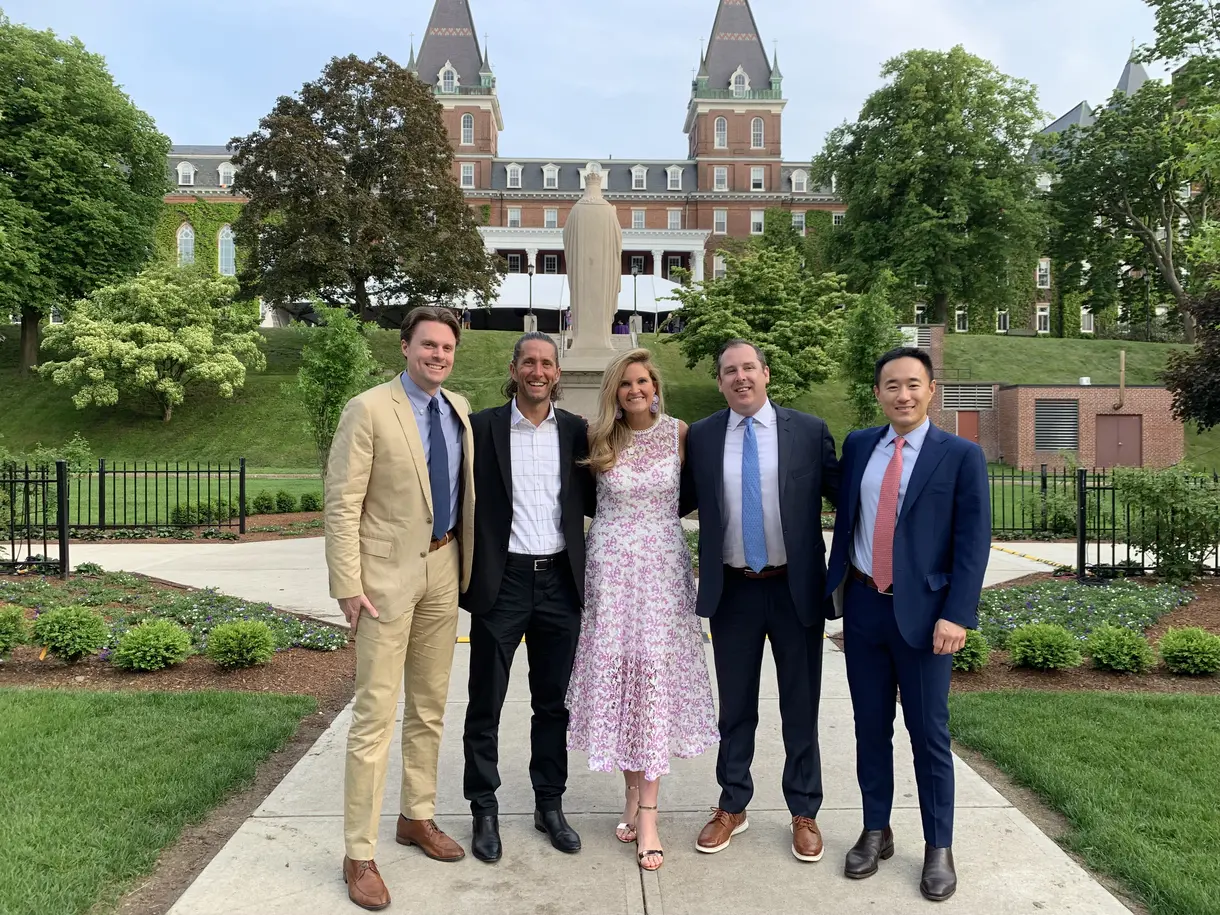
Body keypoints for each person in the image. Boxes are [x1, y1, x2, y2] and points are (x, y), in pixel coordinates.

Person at [824, 346, 990, 903]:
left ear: (931, 389)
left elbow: (973, 542)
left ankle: (938, 844)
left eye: (913, 384)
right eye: (892, 385)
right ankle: (876, 830)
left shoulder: (960, 455)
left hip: (926, 618)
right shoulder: (859, 447)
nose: (903, 394)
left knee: (928, 735)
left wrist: (957, 614)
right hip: (867, 607)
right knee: (870, 727)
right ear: (878, 393)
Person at [324, 305, 475, 911]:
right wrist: (346, 582)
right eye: (428, 345)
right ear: (405, 347)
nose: (438, 355)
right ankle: (358, 853)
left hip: (444, 568)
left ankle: (417, 816)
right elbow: (341, 502)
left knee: (431, 706)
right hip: (384, 579)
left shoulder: (459, 410)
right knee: (374, 716)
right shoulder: (368, 408)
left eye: (446, 348)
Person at [682, 339, 840, 863]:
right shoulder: (702, 437)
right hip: (734, 592)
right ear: (721, 381)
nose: (740, 378)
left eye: (749, 368)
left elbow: (850, 497)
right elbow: (670, 499)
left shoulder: (808, 432)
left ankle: (804, 810)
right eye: (730, 371)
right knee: (736, 706)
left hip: (794, 588)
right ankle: (733, 804)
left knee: (800, 703)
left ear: (766, 374)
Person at [566, 348, 718, 873]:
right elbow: (583, 501)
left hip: (660, 575)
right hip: (610, 574)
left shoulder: (679, 433)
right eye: (626, 383)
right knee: (623, 681)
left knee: (652, 682)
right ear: (615, 390)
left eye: (643, 381)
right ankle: (631, 799)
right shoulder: (598, 438)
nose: (635, 390)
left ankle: (649, 816)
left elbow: (694, 497)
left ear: (655, 387)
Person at [460, 331, 596, 863]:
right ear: (514, 369)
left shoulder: (577, 432)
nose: (538, 371)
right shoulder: (482, 429)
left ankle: (549, 803)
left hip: (561, 581)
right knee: (485, 701)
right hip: (503, 582)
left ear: (557, 374)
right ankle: (484, 808)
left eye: (547, 363)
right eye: (529, 362)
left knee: (553, 704)